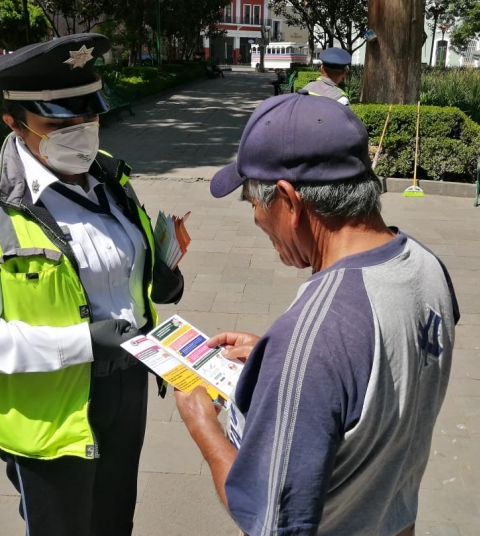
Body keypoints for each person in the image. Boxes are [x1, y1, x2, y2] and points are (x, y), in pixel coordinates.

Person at [0, 33, 185, 536]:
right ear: (14, 123)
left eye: (89, 117)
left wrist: (160, 276)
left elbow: (116, 262)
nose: (81, 132)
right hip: (50, 408)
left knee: (114, 521)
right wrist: (81, 343)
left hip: (125, 389)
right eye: (59, 122)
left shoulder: (110, 177)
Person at [174, 93, 459, 536]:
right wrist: (278, 363)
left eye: (253, 203)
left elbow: (273, 522)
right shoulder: (425, 266)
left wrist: (203, 427)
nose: (256, 220)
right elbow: (379, 371)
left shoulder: (315, 336)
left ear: (288, 201)